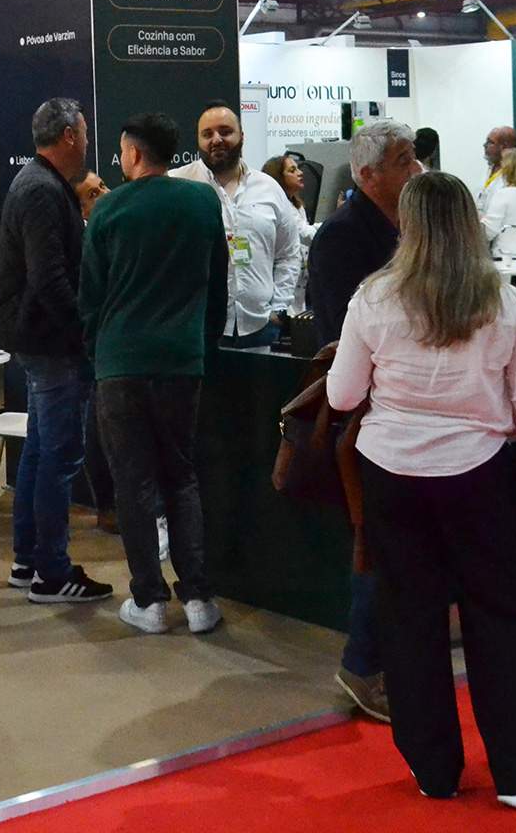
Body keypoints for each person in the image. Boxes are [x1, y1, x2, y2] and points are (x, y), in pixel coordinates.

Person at [327, 173, 516, 811]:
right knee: (498, 617)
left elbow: (342, 395)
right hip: (479, 475)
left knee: (408, 621)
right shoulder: (504, 302)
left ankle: (434, 769)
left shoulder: (373, 298)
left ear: (407, 226)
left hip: (391, 475)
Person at [81, 111, 228, 636]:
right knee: (181, 476)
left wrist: (98, 352)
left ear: (134, 153)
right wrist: (202, 345)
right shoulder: (203, 201)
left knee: (134, 483)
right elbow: (217, 284)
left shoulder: (108, 208)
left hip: (120, 363)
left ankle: (149, 600)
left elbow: (91, 297)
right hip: (182, 361)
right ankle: (199, 598)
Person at [307, 119, 423, 722]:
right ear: (368, 174)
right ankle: (363, 662)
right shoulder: (342, 237)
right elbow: (338, 337)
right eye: (404, 160)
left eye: (415, 157)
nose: (417, 169)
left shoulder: (413, 228)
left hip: (411, 412)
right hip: (370, 416)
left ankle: (390, 657)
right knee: (375, 543)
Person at [0, 98, 113, 604]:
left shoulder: (37, 183)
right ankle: (52, 573)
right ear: (68, 136)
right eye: (84, 133)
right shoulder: (42, 189)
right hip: (51, 344)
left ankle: (29, 562)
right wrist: (85, 330)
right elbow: (49, 278)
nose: (88, 141)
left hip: (40, 340)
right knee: (59, 458)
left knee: (40, 453)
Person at [172, 103, 302, 349]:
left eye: (225, 131)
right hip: (196, 330)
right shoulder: (177, 184)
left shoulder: (269, 188)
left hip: (260, 326)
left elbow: (288, 253)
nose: (216, 139)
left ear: (242, 136)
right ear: (198, 140)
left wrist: (279, 308)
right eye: (207, 134)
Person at [74, 170, 116, 531]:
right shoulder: (84, 242)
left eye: (101, 185)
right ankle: (107, 508)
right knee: (99, 434)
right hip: (97, 349)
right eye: (92, 194)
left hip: (115, 347)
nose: (103, 193)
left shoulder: (118, 227)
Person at [262, 154, 317, 315]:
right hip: (281, 286)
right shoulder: (279, 207)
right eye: (292, 170)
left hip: (299, 285)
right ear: (278, 178)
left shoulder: (297, 205)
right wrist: (332, 224)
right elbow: (304, 234)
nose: (300, 173)